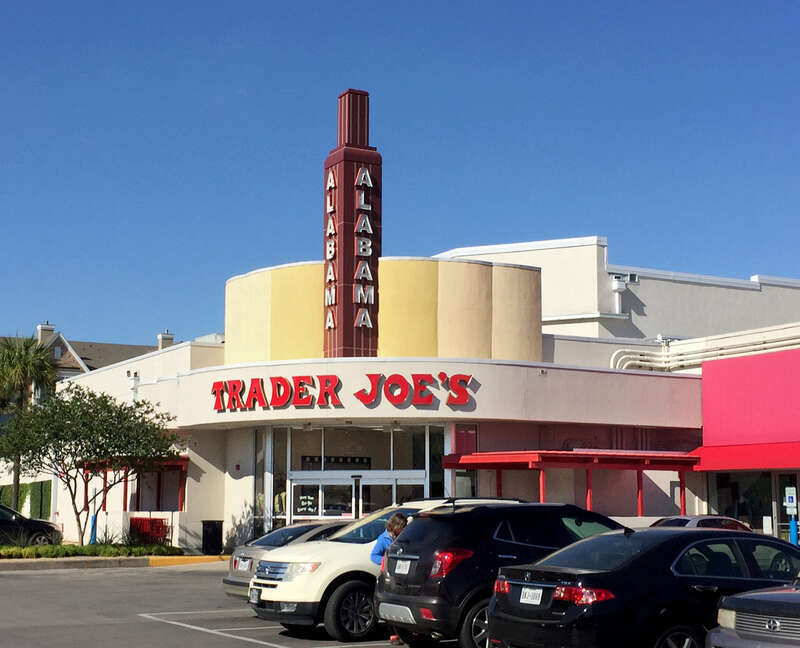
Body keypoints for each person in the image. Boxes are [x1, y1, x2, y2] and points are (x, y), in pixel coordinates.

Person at [370, 512, 408, 645]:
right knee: (390, 603)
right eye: (402, 526)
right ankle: (392, 634)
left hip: (401, 575)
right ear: (396, 526)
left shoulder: (402, 537)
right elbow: (373, 555)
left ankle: (405, 633)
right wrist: (386, 561)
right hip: (387, 576)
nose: (404, 529)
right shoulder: (383, 539)